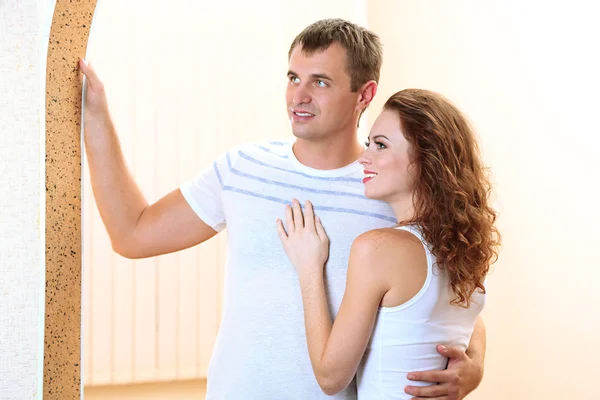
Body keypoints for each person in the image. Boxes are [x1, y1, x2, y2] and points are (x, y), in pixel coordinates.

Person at [79, 18, 487, 399]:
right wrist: (96, 117)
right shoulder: (242, 168)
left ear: (364, 94)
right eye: (293, 77)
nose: (299, 96)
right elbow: (132, 233)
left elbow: (448, 292)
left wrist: (474, 365)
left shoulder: (387, 190)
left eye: (320, 82)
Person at [277, 88, 500, 398]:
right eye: (369, 143)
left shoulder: (377, 248)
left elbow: (331, 377)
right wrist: (474, 364)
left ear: (427, 158)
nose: (364, 158)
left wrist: (309, 268)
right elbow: (469, 319)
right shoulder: (464, 245)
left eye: (380, 145)